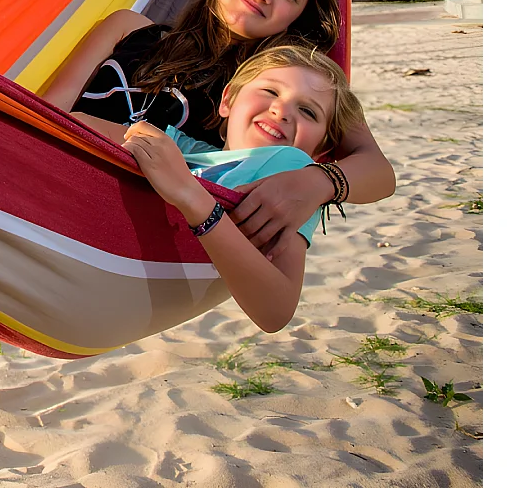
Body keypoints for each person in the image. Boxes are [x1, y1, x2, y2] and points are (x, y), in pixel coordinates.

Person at [42, 0, 394, 251]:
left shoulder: (268, 90)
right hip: (48, 191)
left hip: (141, 240)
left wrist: (318, 182)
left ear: (297, 18)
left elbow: (378, 171)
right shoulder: (127, 28)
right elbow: (45, 113)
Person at [122, 44, 366, 331]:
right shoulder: (182, 145)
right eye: (271, 91)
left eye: (308, 111)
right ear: (228, 100)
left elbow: (276, 311)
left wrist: (194, 199)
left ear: (320, 151)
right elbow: (90, 133)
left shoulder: (291, 167)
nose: (281, 111)